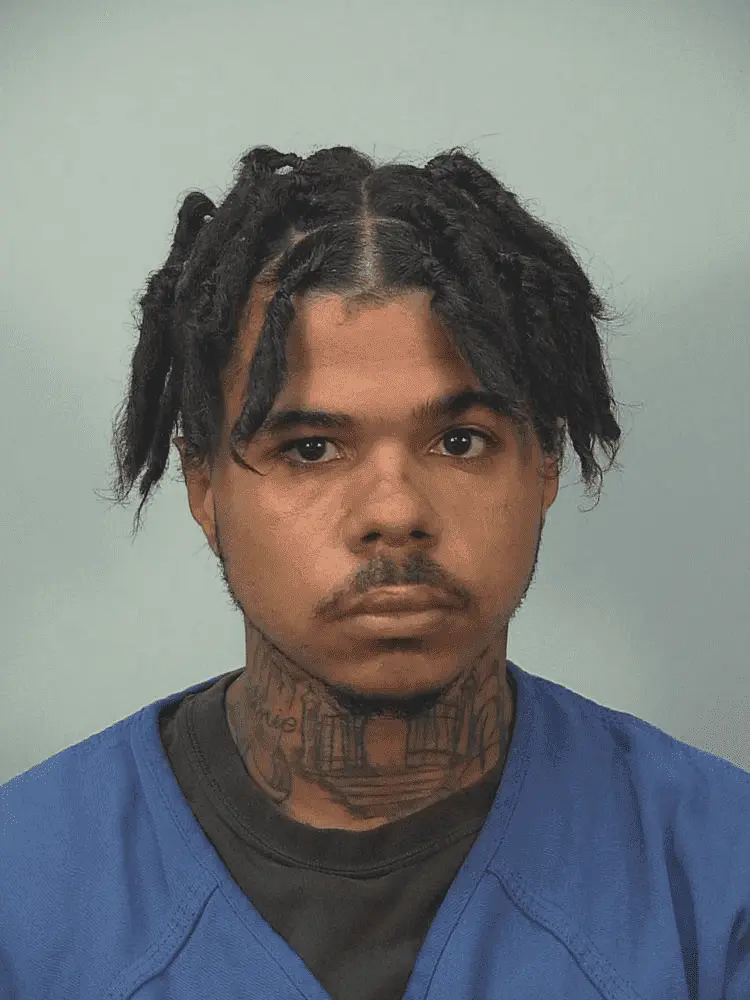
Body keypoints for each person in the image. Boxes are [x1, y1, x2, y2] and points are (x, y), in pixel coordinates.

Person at [1, 144, 748, 1000]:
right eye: (310, 449)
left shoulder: (716, 876)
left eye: (460, 442)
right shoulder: (25, 893)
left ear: (544, 464)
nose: (394, 511)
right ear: (203, 486)